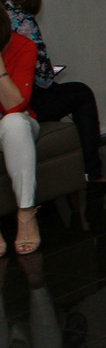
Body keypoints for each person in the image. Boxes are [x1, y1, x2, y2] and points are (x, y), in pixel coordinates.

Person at [0, 0, 106, 195]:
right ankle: (92, 172)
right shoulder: (23, 20)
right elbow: (43, 80)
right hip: (21, 102)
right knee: (81, 93)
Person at [0, 14, 42, 255]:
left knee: (14, 122)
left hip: (20, 121)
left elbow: (15, 105)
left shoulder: (23, 46)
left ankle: (26, 214)